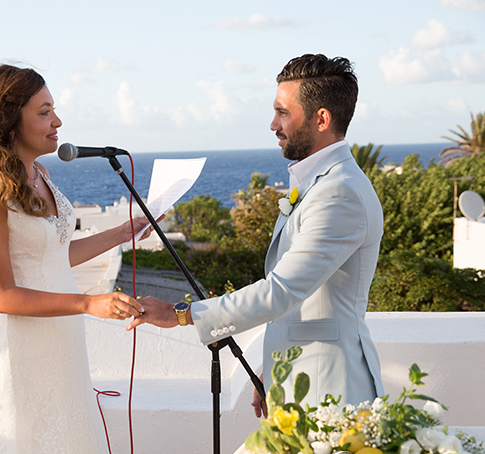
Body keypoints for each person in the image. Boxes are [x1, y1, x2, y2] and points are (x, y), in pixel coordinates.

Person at [0, 64, 152, 454]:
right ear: (8, 120)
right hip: (19, 347)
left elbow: (55, 253)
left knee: (68, 445)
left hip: (60, 339)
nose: (57, 121)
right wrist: (87, 303)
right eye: (44, 111)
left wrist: (123, 231)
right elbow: (1, 294)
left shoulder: (38, 173)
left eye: (54, 109)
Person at [128, 54, 384, 417]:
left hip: (330, 390)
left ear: (321, 119)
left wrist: (179, 313)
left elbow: (280, 291)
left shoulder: (339, 193)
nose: (272, 124)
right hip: (299, 376)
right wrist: (274, 367)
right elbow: (303, 303)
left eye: (283, 112)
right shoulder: (320, 184)